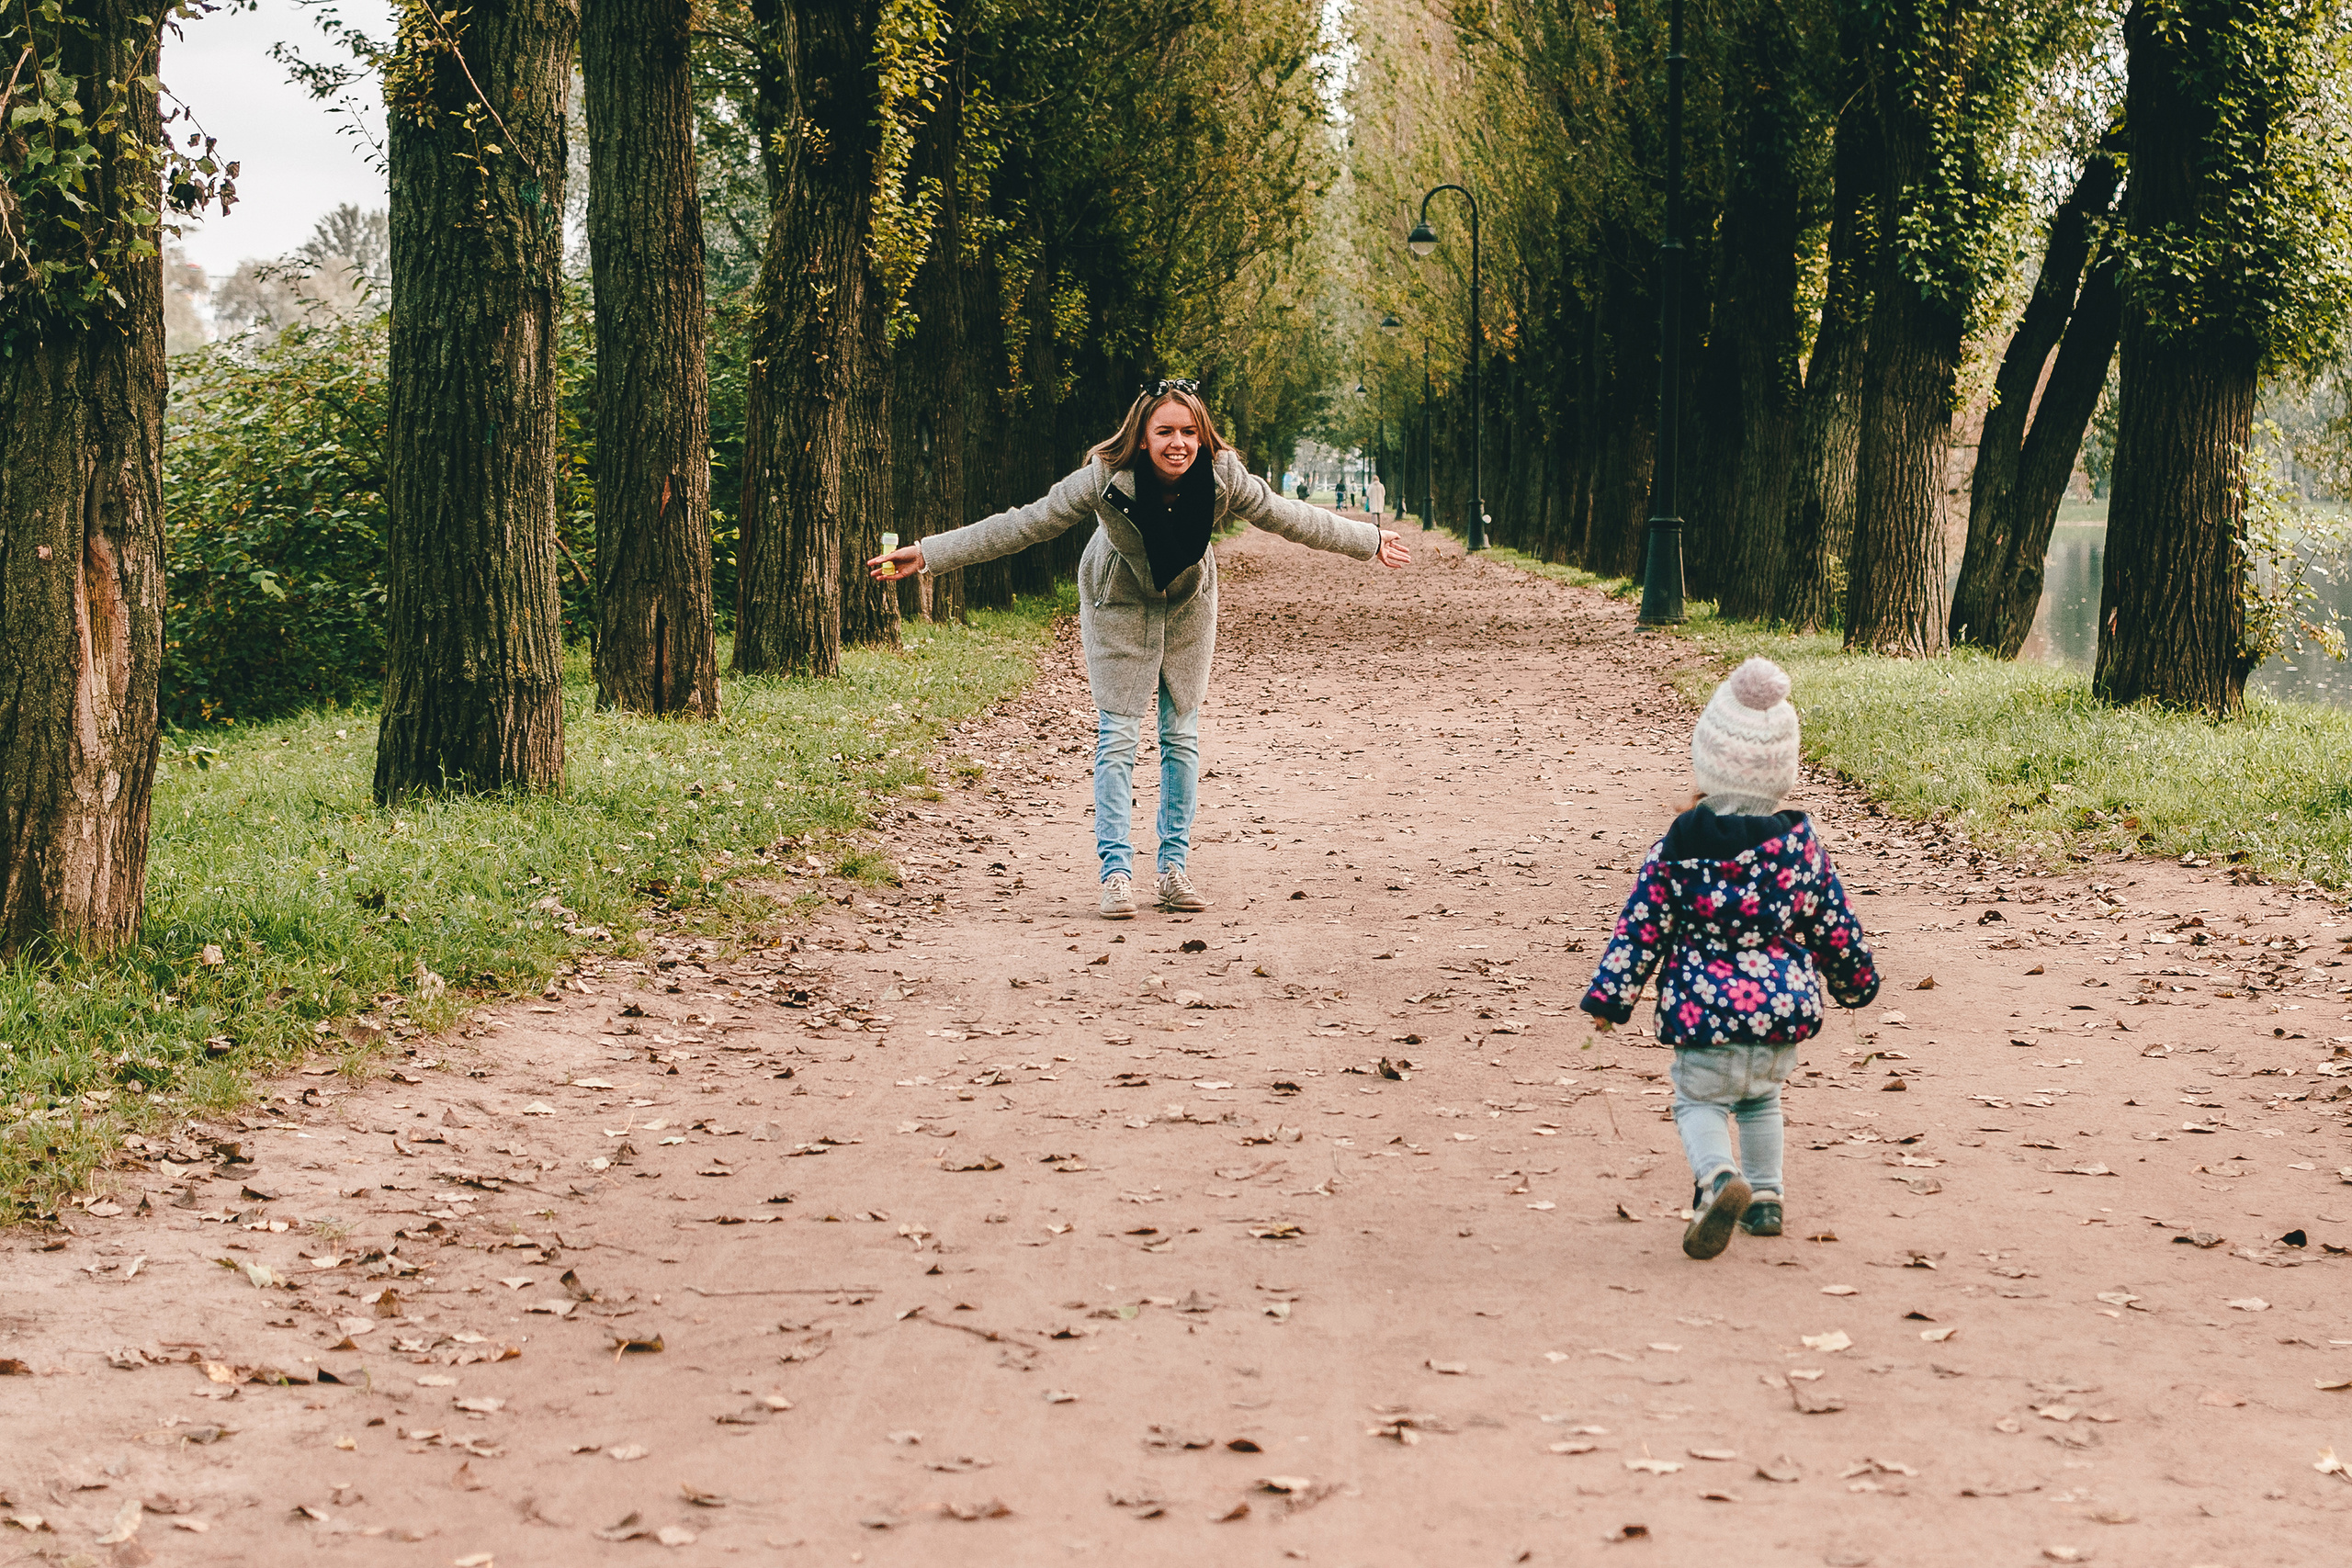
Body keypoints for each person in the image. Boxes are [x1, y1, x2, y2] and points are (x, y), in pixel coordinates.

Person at [867, 379, 1411, 919]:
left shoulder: (1223, 477)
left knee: (1181, 734)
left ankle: (1174, 870)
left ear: (1203, 437)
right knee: (1120, 735)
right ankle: (1116, 875)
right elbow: (1025, 523)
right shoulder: (1105, 478)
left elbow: (1289, 515)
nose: (1179, 442)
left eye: (1189, 431)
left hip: (1187, 606)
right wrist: (931, 554)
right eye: (1165, 431)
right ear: (1143, 436)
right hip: (1118, 603)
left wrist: (1367, 540)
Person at [1577, 657, 1879, 1260]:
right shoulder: (1799, 849)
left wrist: (1612, 997)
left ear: (1706, 762)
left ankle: (1718, 1179)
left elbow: (1642, 927)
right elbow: (1832, 922)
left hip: (1704, 1015)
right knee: (1762, 1099)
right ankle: (1766, 1195)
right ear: (1783, 773)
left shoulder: (1679, 847)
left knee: (1699, 1103)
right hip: (1775, 1017)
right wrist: (1854, 979)